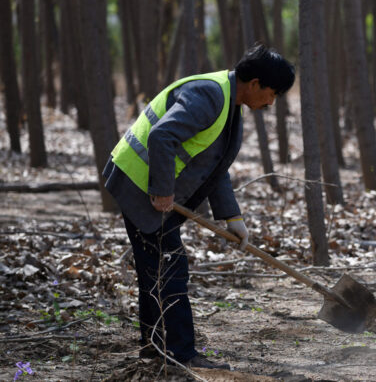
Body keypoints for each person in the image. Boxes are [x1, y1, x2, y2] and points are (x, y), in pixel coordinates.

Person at [103, 44, 295, 370]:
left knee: (156, 271)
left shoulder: (228, 103)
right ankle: (180, 354)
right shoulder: (209, 96)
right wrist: (162, 191)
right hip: (138, 184)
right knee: (171, 269)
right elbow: (162, 136)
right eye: (272, 93)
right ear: (255, 84)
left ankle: (156, 347)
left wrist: (233, 217)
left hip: (144, 184)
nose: (271, 102)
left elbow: (213, 165)